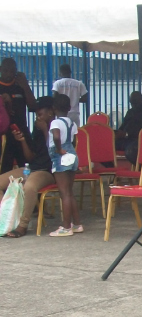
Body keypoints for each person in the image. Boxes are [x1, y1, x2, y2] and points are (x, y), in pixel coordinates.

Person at [0, 97, 57, 238]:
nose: (38, 117)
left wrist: (46, 130)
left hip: (47, 171)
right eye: (37, 115)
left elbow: (54, 151)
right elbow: (30, 157)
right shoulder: (37, 129)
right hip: (32, 168)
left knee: (29, 187)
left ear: (50, 112)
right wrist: (23, 141)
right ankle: (5, 219)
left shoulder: (58, 127)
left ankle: (22, 225)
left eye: (40, 114)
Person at [48, 94, 81, 237]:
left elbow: (56, 136)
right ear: (69, 108)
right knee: (70, 192)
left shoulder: (55, 123)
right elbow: (74, 141)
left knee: (64, 193)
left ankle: (66, 227)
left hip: (61, 156)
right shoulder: (72, 123)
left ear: (54, 108)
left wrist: (59, 149)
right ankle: (77, 224)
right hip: (72, 155)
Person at [0, 58, 37, 174]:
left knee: (27, 166)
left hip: (21, 132)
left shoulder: (20, 86)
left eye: (12, 71)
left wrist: (25, 86)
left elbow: (33, 107)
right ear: (1, 70)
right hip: (4, 134)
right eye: (5, 71)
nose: (8, 74)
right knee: (4, 169)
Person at [115, 91, 142, 165]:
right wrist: (117, 133)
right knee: (105, 147)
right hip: (125, 140)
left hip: (138, 141)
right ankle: (111, 168)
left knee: (131, 151)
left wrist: (126, 134)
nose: (133, 104)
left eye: (135, 102)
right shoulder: (130, 112)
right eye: (131, 102)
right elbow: (123, 127)